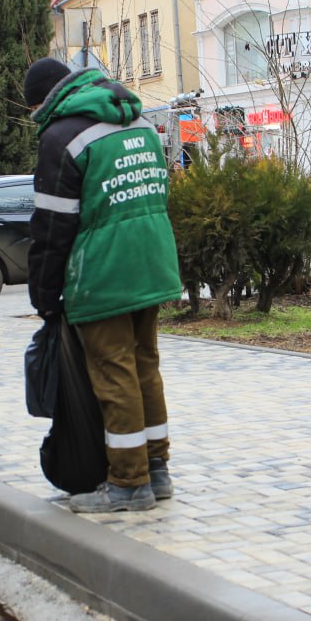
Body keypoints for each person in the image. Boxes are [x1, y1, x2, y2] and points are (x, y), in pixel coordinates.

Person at [23, 57, 183, 514]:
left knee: (114, 371)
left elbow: (52, 229)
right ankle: (157, 469)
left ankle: (128, 484)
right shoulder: (139, 121)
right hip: (152, 260)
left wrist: (44, 292)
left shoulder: (62, 136)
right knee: (144, 365)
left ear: (43, 102)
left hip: (104, 271)